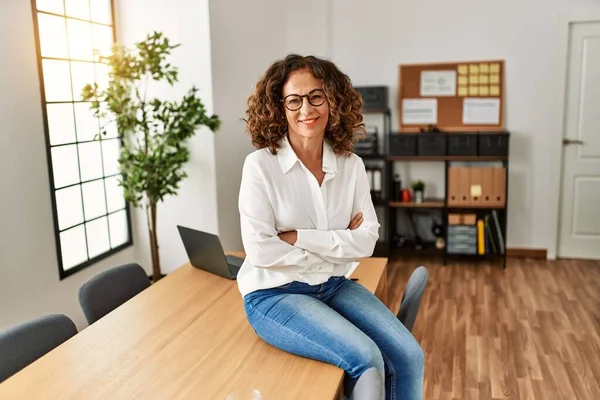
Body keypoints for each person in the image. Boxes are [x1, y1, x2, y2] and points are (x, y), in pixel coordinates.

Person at [237, 54, 424, 400]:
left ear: (332, 100)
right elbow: (261, 251)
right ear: (279, 107)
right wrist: (339, 241)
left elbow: (367, 240)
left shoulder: (350, 165)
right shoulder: (260, 167)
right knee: (366, 359)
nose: (306, 108)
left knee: (410, 355)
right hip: (275, 295)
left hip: (333, 285)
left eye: (316, 96)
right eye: (294, 100)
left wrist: (297, 238)